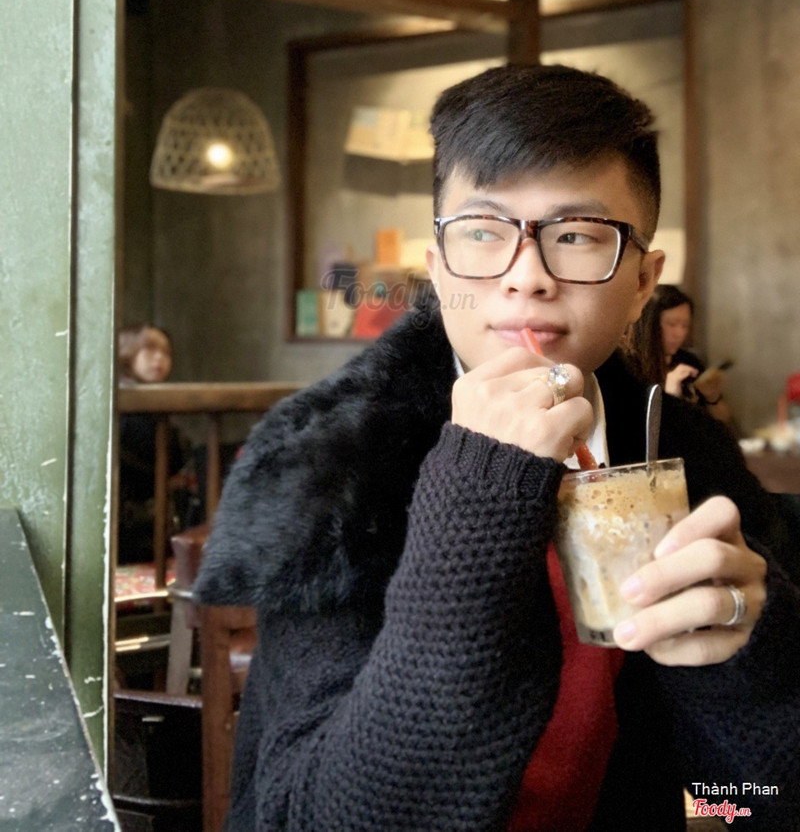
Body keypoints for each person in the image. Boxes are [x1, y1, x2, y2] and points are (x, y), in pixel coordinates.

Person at [195, 64, 800, 832]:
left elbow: (754, 801)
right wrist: (477, 496)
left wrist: (753, 661)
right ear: (437, 267)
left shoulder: (690, 455)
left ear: (645, 282)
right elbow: (313, 817)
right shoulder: (336, 462)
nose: (527, 277)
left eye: (576, 236)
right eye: (484, 232)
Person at [117, 323, 188, 564]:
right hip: (129, 524)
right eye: (150, 349)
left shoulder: (151, 401)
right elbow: (168, 455)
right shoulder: (127, 402)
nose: (160, 358)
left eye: (166, 352)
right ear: (127, 353)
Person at [628, 284, 734, 426]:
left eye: (685, 325)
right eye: (672, 324)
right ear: (650, 324)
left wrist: (712, 397)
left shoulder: (689, 361)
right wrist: (671, 397)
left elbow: (722, 422)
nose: (679, 333)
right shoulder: (631, 366)